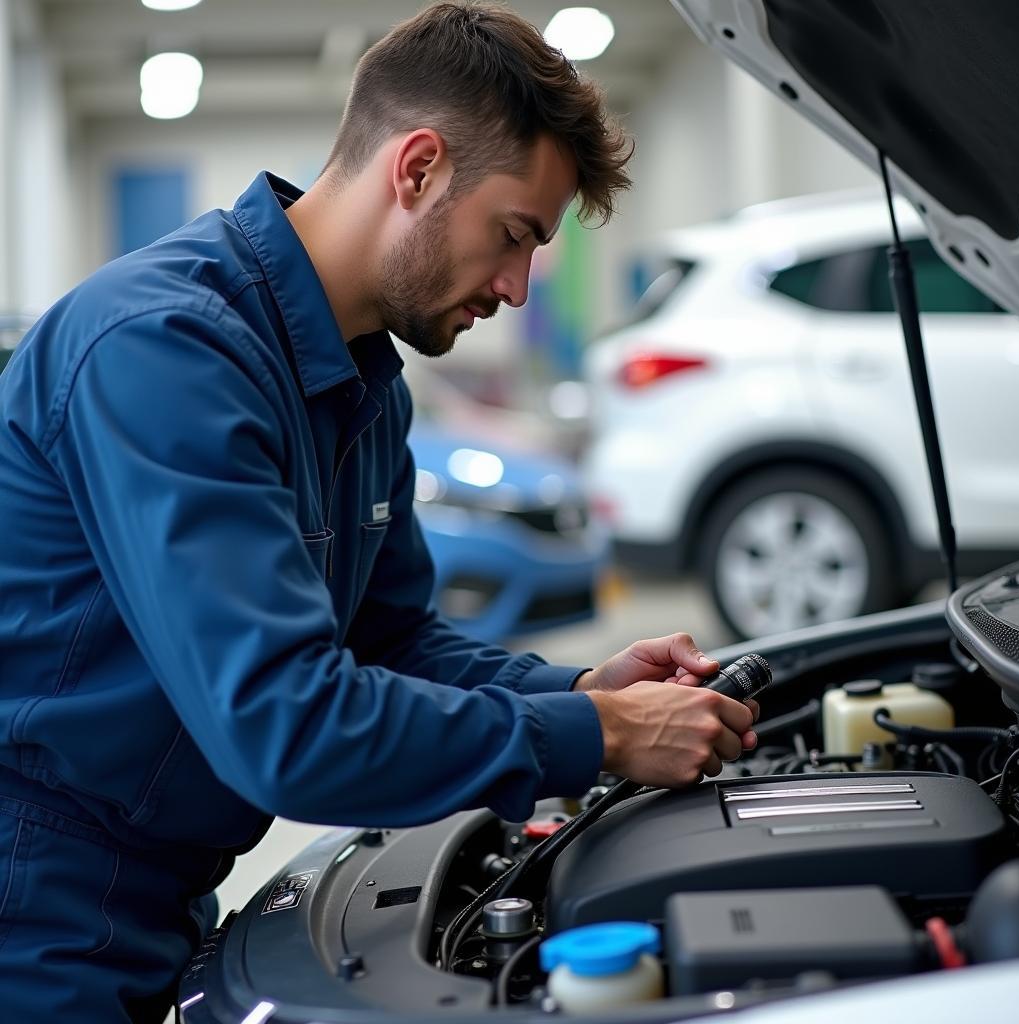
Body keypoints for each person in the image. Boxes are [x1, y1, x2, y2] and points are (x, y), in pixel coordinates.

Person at [0, 2, 757, 1020]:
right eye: (514, 234)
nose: (519, 286)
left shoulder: (362, 382)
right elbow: (289, 727)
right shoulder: (165, 350)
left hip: (154, 888)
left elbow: (391, 639)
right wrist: (593, 734)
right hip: (33, 900)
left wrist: (579, 684)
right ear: (417, 168)